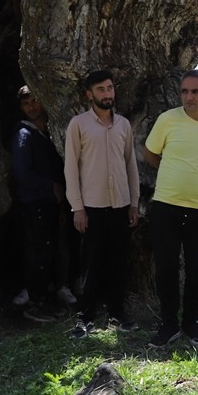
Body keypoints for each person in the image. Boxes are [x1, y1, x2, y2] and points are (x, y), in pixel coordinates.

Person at [143, 69, 198, 348]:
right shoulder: (167, 120)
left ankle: (192, 323)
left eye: (195, 91)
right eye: (184, 91)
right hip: (165, 207)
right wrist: (173, 171)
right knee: (166, 269)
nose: (189, 97)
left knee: (197, 270)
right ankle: (168, 324)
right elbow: (150, 154)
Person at [64, 69, 141, 338]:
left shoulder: (123, 125)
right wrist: (77, 208)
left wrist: (133, 202)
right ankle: (84, 318)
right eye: (101, 90)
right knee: (91, 265)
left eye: (109, 88)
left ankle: (117, 315)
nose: (107, 94)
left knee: (118, 263)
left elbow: (130, 163)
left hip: (120, 205)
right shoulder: (79, 125)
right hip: (92, 208)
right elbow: (71, 168)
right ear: (89, 94)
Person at [10, 86, 77, 320]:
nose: (32, 107)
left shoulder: (51, 132)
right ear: (21, 107)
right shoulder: (23, 134)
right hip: (35, 201)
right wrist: (50, 186)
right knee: (39, 250)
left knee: (58, 244)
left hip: (55, 200)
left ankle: (60, 287)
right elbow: (21, 172)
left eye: (36, 101)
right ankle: (36, 298)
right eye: (26, 103)